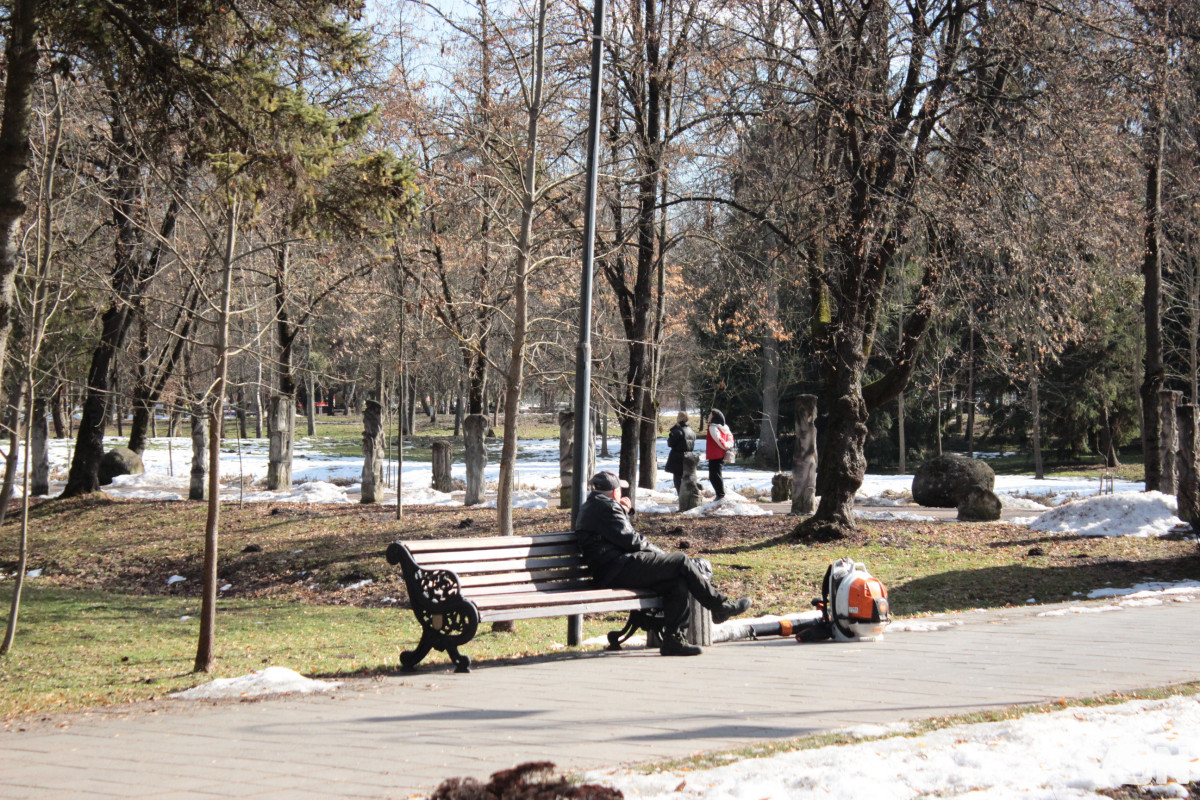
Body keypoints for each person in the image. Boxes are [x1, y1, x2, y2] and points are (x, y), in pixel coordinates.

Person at [575, 470, 752, 656]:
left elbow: (615, 535)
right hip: (617, 569)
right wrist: (662, 556)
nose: (622, 492)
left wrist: (624, 512)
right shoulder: (608, 507)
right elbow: (632, 541)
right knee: (680, 561)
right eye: (620, 489)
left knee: (676, 583)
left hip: (612, 568)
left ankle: (673, 640)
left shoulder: (595, 506)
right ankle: (719, 607)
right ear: (614, 492)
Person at [705, 409, 735, 501]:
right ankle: (720, 494)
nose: (708, 416)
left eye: (710, 415)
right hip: (721, 454)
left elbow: (718, 440)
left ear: (714, 417)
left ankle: (720, 495)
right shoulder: (724, 427)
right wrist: (728, 446)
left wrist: (725, 446)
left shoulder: (713, 427)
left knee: (714, 476)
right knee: (716, 474)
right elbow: (730, 438)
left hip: (715, 455)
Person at [664, 411, 696, 493]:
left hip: (678, 457)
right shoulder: (691, 431)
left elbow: (670, 443)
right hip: (689, 455)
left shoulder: (677, 431)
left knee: (677, 477)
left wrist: (672, 432)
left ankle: (680, 494)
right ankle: (686, 494)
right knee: (686, 477)